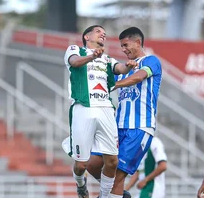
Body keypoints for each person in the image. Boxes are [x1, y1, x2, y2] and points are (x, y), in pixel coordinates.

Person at [85, 26, 162, 198]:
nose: (123, 49)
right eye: (121, 46)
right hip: (116, 128)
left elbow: (138, 77)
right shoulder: (124, 68)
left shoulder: (151, 61)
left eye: (126, 45)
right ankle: (118, 194)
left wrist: (113, 85)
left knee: (118, 176)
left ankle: (113, 193)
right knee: (92, 164)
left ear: (138, 42)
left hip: (140, 128)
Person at [64, 25, 138, 198]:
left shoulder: (107, 59)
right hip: (83, 108)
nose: (103, 34)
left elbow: (119, 69)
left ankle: (104, 196)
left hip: (105, 109)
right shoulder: (75, 50)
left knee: (112, 161)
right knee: (82, 164)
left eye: (105, 33)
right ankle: (81, 183)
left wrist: (129, 66)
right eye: (98, 32)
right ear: (87, 37)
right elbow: (74, 62)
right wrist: (91, 56)